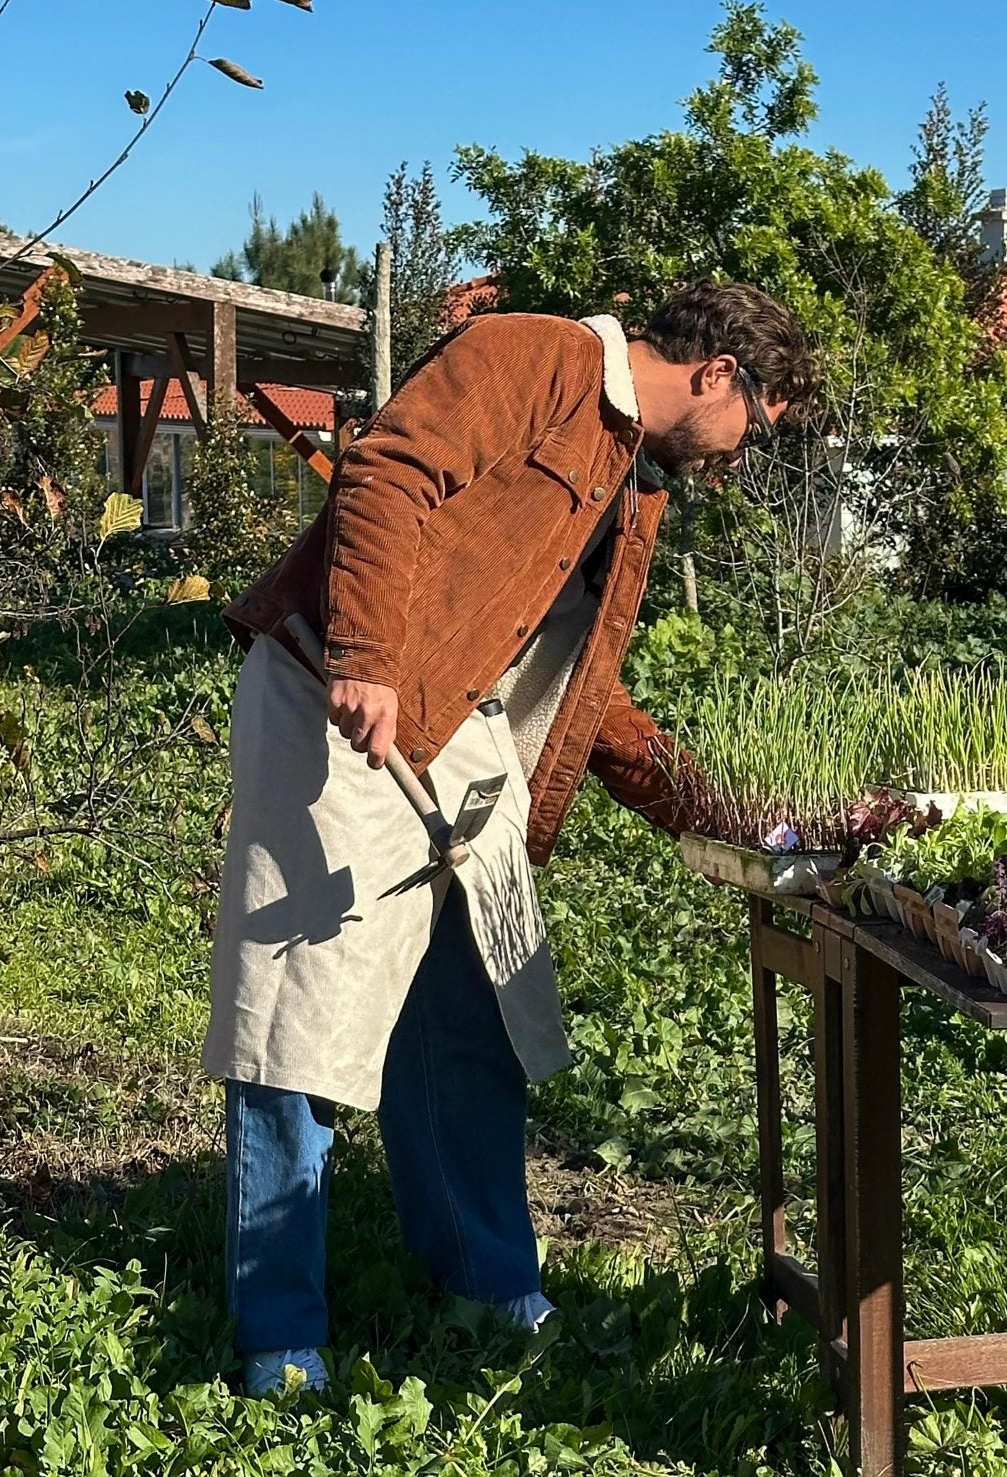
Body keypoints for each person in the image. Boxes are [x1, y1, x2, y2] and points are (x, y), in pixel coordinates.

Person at [203, 281, 816, 1394]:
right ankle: (281, 1343)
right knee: (296, 1025)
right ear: (720, 373)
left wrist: (727, 816)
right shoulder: (537, 358)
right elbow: (387, 469)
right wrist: (365, 655)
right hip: (332, 696)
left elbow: (587, 694)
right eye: (757, 430)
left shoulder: (636, 484)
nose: (742, 456)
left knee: (476, 1007)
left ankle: (489, 1288)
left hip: (458, 730)